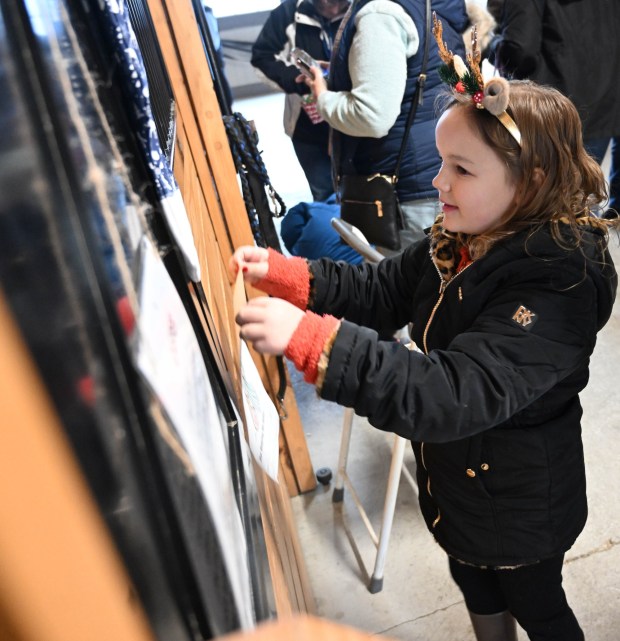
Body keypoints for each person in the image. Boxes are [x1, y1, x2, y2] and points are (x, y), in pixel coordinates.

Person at [230, 22, 618, 640]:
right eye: (442, 163)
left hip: (521, 501)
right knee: (472, 578)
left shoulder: (559, 283)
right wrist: (286, 274)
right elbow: (381, 290)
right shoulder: (457, 236)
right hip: (459, 484)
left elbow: (453, 392)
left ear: (533, 182)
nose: (439, 183)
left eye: (460, 169)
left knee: (537, 602)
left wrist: (314, 341)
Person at [301, 0, 469, 249]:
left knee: (411, 284)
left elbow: (372, 116)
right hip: (437, 173)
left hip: (406, 191)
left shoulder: (380, 13)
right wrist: (346, 72)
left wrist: (322, 97)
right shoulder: (420, 4)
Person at [487, 0, 620, 186]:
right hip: (605, 101)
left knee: (551, 202)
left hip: (551, 110)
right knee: (585, 198)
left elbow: (519, 52)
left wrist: (489, 42)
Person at [251, 0, 350, 202]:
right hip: (308, 130)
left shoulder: (364, 10)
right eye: (323, 4)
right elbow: (262, 58)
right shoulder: (287, 13)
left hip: (355, 122)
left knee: (362, 195)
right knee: (325, 198)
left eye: (337, 4)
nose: (331, 9)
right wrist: (295, 80)